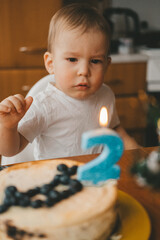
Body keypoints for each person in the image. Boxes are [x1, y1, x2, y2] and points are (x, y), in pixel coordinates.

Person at [0, 3, 139, 161]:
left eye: (95, 61)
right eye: (72, 59)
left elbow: (114, 129)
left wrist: (137, 150)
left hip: (93, 176)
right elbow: (11, 151)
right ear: (51, 63)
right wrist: (8, 127)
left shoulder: (105, 94)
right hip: (56, 178)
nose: (84, 71)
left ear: (107, 65)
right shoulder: (44, 105)